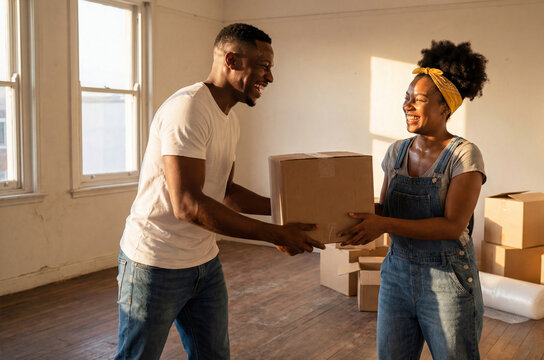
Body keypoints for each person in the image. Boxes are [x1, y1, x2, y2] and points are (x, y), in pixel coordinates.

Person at [115, 23, 324, 360]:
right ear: (232, 60)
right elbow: (187, 204)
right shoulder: (188, 109)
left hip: (204, 263)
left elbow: (226, 193)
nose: (270, 78)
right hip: (155, 265)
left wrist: (288, 209)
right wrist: (274, 233)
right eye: (264, 66)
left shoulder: (229, 118)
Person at [338, 40, 488, 360]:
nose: (407, 106)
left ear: (444, 108)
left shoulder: (463, 155)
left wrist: (383, 223)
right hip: (397, 272)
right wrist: (342, 215)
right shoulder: (397, 151)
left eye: (417, 100)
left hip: (448, 278)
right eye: (406, 98)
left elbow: (452, 226)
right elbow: (384, 210)